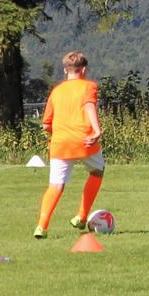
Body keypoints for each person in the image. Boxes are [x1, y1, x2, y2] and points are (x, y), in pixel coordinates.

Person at [35, 50, 104, 238]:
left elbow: (46, 124)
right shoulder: (89, 86)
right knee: (97, 172)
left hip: (60, 143)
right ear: (84, 69)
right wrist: (97, 130)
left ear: (65, 70)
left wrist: (59, 133)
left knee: (55, 186)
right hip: (84, 140)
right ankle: (81, 216)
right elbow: (89, 105)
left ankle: (41, 226)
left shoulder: (56, 91)